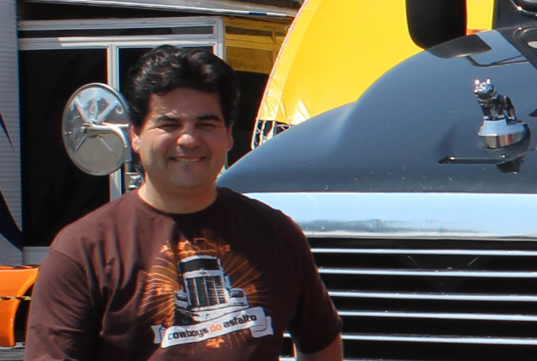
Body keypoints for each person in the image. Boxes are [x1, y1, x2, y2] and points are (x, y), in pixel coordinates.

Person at [26, 46, 343, 360]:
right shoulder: (83, 251)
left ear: (229, 134)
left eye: (206, 125)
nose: (189, 140)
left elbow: (322, 343)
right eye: (169, 125)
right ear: (135, 134)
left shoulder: (277, 234)